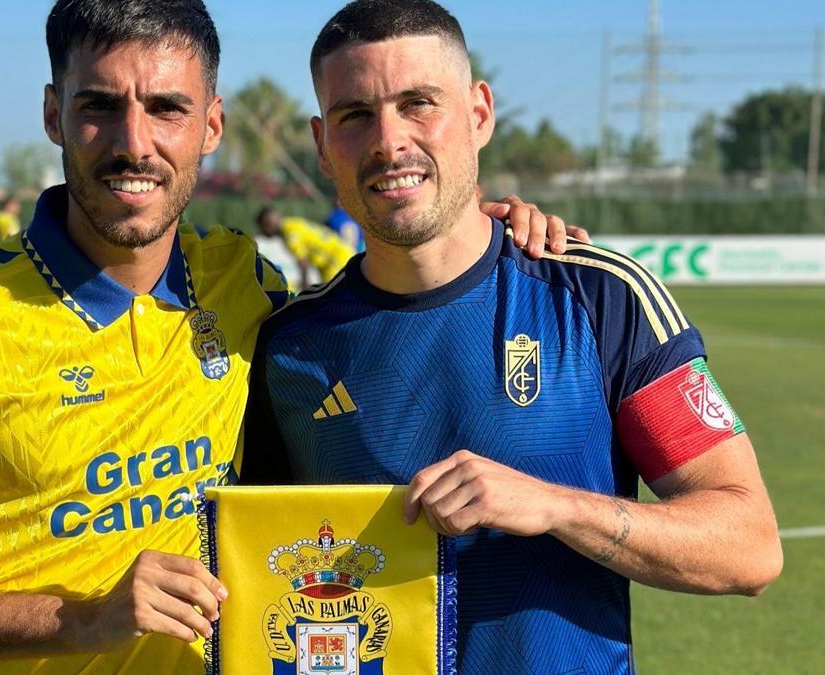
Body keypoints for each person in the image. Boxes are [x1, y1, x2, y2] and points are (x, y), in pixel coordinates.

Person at [0, 1, 580, 672]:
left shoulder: (242, 284)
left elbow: (398, 272)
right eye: (98, 106)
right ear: (53, 115)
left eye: (166, 108)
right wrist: (81, 617)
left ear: (211, 124)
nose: (134, 141)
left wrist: (485, 221)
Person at [239, 2, 782, 674]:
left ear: (479, 113)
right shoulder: (285, 347)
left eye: (418, 103)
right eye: (356, 116)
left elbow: (750, 545)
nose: (389, 141)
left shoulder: (602, 298)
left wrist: (553, 504)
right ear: (323, 145)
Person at [255, 206, 354, 288]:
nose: (262, 232)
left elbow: (303, 263)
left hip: (336, 259)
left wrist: (305, 288)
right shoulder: (292, 223)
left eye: (261, 227)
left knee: (334, 298)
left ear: (267, 224)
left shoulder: (289, 233)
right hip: (336, 257)